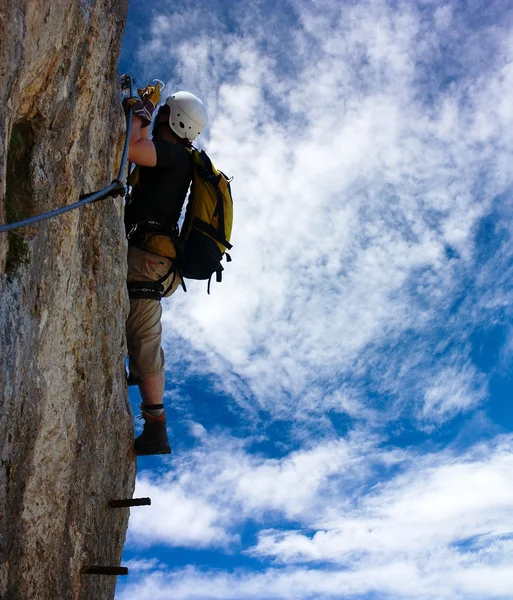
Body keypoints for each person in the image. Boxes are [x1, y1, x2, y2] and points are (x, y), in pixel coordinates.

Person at [124, 84, 208, 455]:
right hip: (155, 257)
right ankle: (152, 411)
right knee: (142, 331)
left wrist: (142, 110)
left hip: (148, 260)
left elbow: (131, 149)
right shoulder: (178, 157)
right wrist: (144, 111)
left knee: (145, 335)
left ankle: (157, 427)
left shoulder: (174, 156)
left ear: (170, 117)